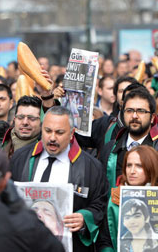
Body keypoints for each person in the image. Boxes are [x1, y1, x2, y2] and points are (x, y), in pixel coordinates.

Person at [10, 106, 109, 252]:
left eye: (59, 132)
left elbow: (100, 204)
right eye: (48, 131)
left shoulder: (91, 167)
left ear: (71, 134)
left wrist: (84, 218)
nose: (52, 138)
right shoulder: (21, 158)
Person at [97, 145, 158, 252]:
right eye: (129, 165)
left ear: (151, 168)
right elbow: (105, 241)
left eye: (139, 166)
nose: (132, 171)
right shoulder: (115, 199)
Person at [98, 88, 158, 188]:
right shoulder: (109, 149)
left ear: (152, 118)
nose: (134, 116)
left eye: (141, 111)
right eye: (129, 111)